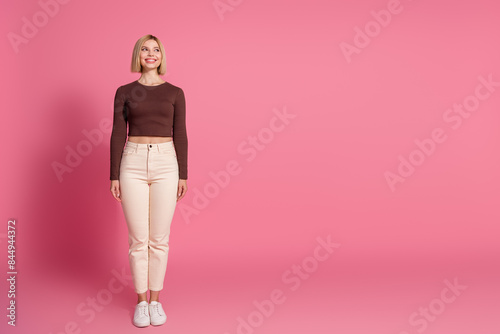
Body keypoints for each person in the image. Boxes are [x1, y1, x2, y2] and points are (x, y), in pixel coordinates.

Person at [109, 34, 188, 327]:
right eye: (145, 49)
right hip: (132, 162)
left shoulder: (175, 92)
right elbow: (118, 132)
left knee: (159, 239)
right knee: (138, 239)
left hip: (167, 163)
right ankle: (141, 302)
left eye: (156, 50)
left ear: (161, 56)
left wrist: (183, 173)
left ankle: (156, 300)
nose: (150, 54)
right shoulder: (124, 91)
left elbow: (180, 133)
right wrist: (114, 174)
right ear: (138, 55)